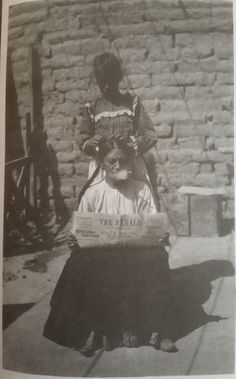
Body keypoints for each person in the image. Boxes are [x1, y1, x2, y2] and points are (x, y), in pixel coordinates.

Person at [43, 139, 177, 356]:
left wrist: (160, 235)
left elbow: (152, 221)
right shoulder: (93, 193)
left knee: (157, 258)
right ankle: (92, 331)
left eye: (122, 160)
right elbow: (81, 231)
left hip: (135, 251)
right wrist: (75, 240)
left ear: (130, 163)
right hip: (102, 253)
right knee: (78, 263)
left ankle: (158, 329)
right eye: (111, 161)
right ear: (102, 164)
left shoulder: (141, 189)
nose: (117, 165)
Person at [77, 51, 159, 204]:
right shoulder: (93, 107)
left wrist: (132, 145)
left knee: (134, 205)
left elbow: (151, 134)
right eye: (103, 83)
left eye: (110, 81)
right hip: (103, 169)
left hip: (131, 166)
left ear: (118, 78)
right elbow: (82, 137)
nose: (107, 87)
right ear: (98, 82)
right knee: (104, 206)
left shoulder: (132, 103)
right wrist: (91, 142)